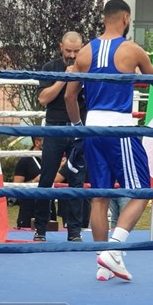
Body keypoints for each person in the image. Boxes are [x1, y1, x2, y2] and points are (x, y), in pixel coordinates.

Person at [65, 0, 153, 281]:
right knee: (142, 190)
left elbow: (71, 96)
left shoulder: (84, 52)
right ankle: (115, 247)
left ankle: (102, 264)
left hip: (92, 129)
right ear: (125, 19)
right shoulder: (131, 50)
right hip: (119, 128)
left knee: (99, 196)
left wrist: (77, 127)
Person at [33, 31, 87, 242]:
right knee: (46, 179)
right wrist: (64, 79)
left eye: (76, 51)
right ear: (60, 47)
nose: (72, 55)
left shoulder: (88, 68)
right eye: (68, 51)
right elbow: (43, 99)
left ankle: (74, 232)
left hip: (78, 129)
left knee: (77, 181)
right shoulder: (50, 68)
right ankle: (40, 229)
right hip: (54, 128)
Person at [14, 137, 43, 228]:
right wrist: (34, 181)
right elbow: (16, 185)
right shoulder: (25, 160)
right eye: (47, 141)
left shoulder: (50, 160)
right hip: (29, 207)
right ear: (37, 142)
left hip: (47, 204)